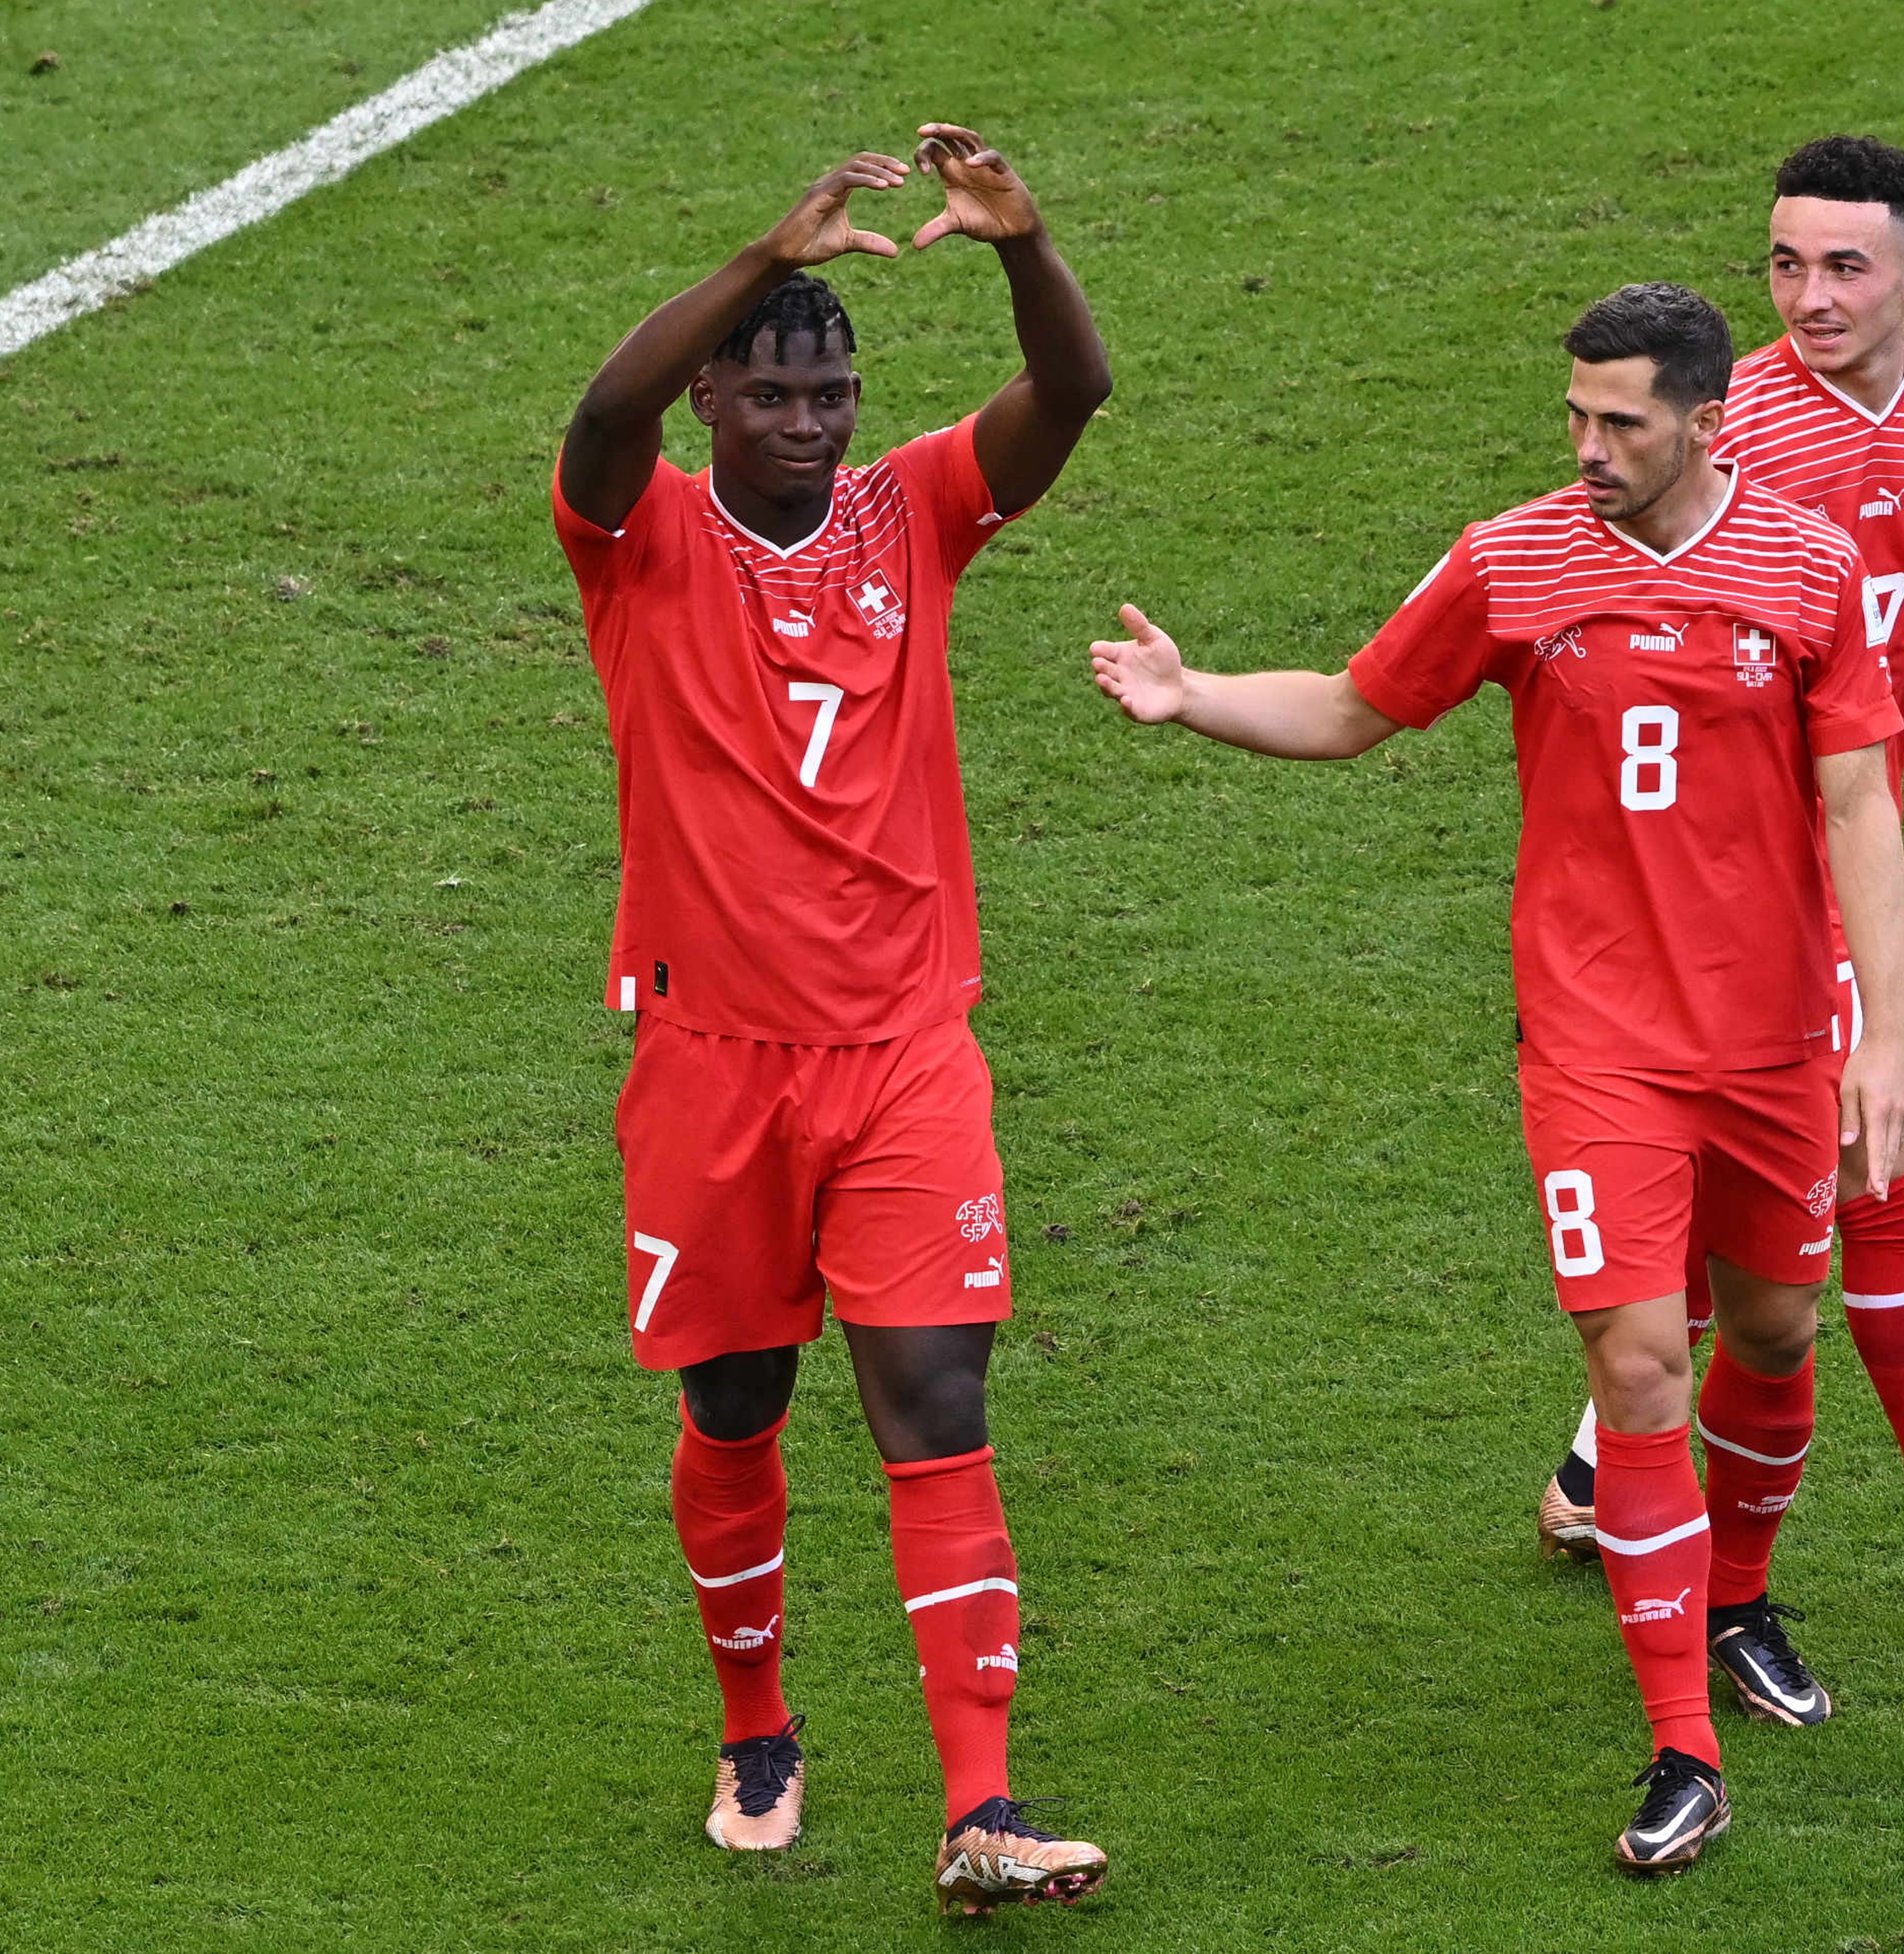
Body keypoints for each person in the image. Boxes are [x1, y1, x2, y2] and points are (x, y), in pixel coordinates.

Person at [1087, 284, 1904, 1876]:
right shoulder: (1512, 561)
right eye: (1576, 419)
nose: (1589, 450)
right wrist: (1194, 700)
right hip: (1599, 1049)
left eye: (1623, 424)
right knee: (1638, 1371)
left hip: (1770, 1050)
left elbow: (1861, 804)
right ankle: (1681, 1747)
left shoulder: (1810, 570)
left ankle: (1739, 1598)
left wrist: (1881, 1037)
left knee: (1772, 1328)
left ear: (1706, 421)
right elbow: (1352, 705)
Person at [550, 126, 1112, 1913]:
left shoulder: (918, 508)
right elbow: (597, 414)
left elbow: (1073, 388)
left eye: (839, 390)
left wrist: (1024, 246)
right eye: (781, 391)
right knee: (736, 1407)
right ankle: (757, 1726)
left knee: (937, 1403)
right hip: (713, 1061)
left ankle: (983, 1809)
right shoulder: (637, 539)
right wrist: (754, 250)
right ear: (717, 395)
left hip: (903, 1056)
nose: (818, 419)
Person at [1534, 136, 1904, 1711]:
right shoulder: (1721, 436)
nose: (1810, 297)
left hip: (1832, 858)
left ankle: (1608, 1472)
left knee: (1819, 1202)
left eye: (1845, 266)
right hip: (1729, 887)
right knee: (1878, 1180)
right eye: (1786, 266)